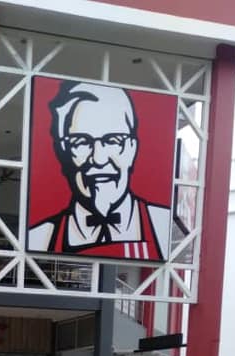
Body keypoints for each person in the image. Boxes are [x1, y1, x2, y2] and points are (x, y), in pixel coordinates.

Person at [28, 81, 171, 260]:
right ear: (63, 151)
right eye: (81, 142)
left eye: (113, 141)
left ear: (132, 148)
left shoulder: (163, 226)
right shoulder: (40, 237)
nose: (99, 159)